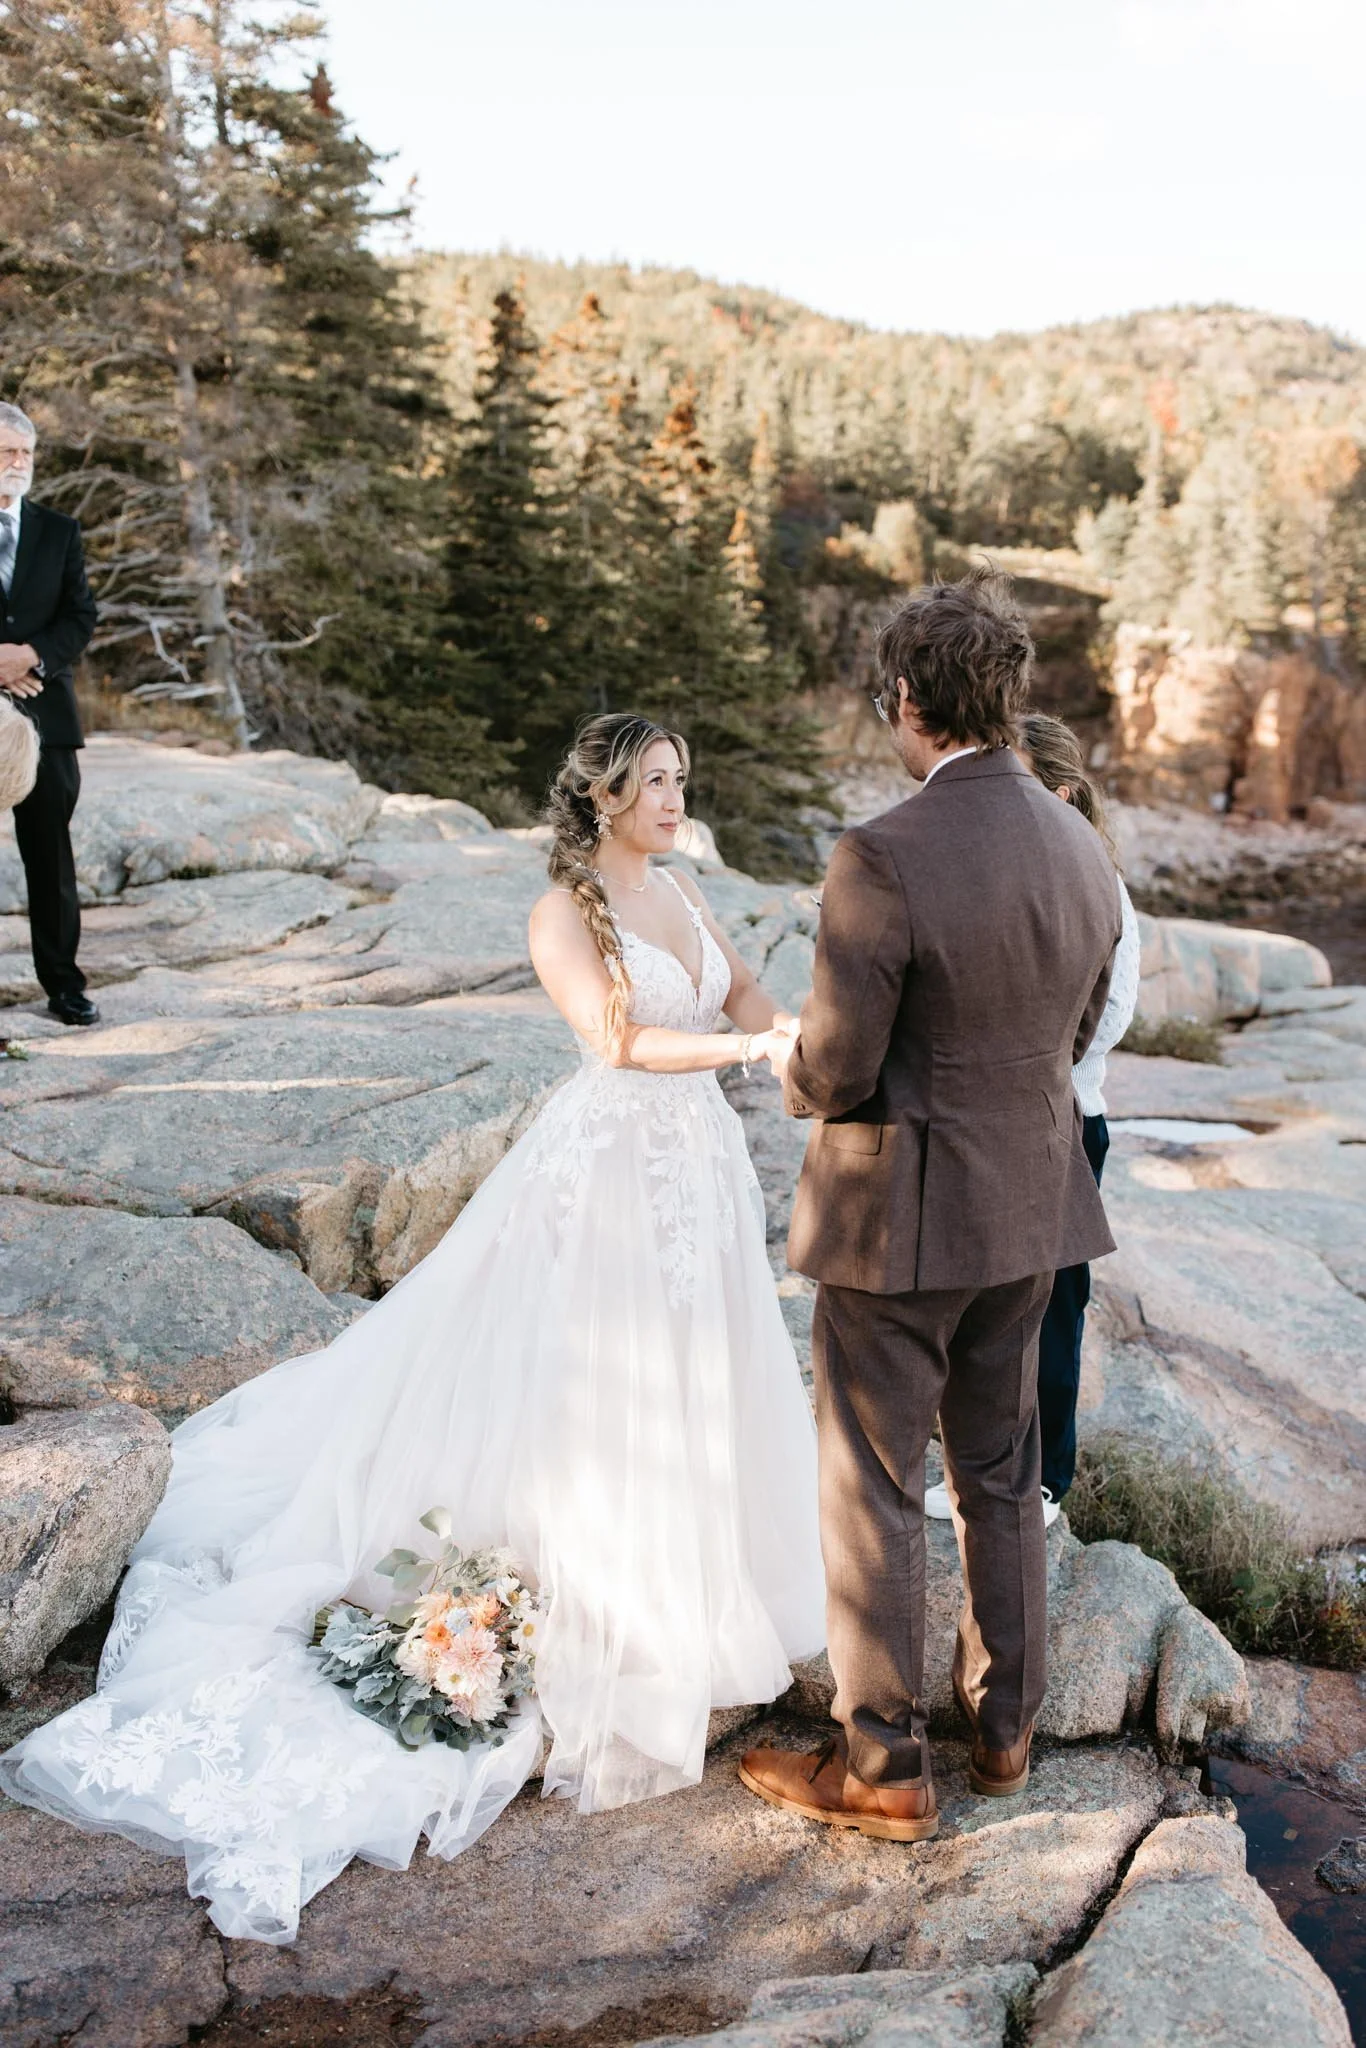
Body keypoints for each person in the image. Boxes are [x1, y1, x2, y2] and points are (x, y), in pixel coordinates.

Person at [0, 713, 825, 1944]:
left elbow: (749, 987)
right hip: (605, 1173)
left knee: (702, 1369)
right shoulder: (560, 910)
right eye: (654, 781)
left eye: (681, 780)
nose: (672, 797)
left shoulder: (689, 891)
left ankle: (698, 1605)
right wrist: (743, 1046)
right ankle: (599, 1612)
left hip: (696, 1167)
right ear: (602, 795)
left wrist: (787, 1026)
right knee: (596, 1384)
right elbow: (619, 1039)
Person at [740, 568, 1121, 1841]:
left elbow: (840, 1065)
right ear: (1003, 694)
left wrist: (793, 1068)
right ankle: (1005, 1727)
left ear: (908, 700)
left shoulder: (882, 851)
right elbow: (1069, 1032)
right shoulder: (1080, 843)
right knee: (1002, 1472)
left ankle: (884, 1761)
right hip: (1031, 1205)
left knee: (874, 1481)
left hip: (900, 1219)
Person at [924, 712, 1141, 1529]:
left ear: (1062, 793)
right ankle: (975, 1467)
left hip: (1068, 1116)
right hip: (997, 1120)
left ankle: (1045, 1480)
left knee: (1052, 1303)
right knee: (980, 1302)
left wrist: (1030, 1061)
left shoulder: (1102, 883)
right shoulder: (1004, 868)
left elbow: (1113, 1011)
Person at [0, 402, 100, 1026]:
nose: (17, 463)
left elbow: (80, 617)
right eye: (5, 452)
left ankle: (63, 985)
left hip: (45, 713)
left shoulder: (58, 531)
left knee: (50, 857)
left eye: (25, 454)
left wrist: (32, 656)